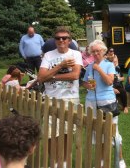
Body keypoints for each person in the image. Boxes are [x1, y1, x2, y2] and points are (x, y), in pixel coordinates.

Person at [37, 26, 83, 163]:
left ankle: (64, 162)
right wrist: (60, 66)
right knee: (51, 134)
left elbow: (75, 75)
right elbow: (40, 77)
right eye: (58, 38)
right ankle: (54, 162)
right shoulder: (48, 55)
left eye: (64, 38)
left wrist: (52, 77)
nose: (61, 40)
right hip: (51, 98)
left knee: (67, 132)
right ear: (54, 40)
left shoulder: (76, 54)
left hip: (70, 97)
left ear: (69, 40)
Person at [82, 40, 126, 168]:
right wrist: (87, 85)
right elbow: (84, 82)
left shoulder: (109, 65)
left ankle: (120, 160)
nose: (95, 53)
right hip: (91, 102)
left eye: (98, 51)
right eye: (93, 51)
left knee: (113, 131)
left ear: (103, 52)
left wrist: (99, 69)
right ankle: (100, 162)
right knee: (96, 132)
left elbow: (109, 82)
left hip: (107, 102)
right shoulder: (89, 66)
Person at [105, 48, 128, 114]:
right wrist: (112, 88)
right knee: (112, 93)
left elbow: (123, 78)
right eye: (113, 62)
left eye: (115, 61)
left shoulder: (117, 68)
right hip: (110, 86)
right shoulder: (107, 68)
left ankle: (125, 107)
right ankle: (113, 107)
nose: (115, 63)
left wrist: (118, 78)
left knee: (123, 91)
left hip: (118, 85)